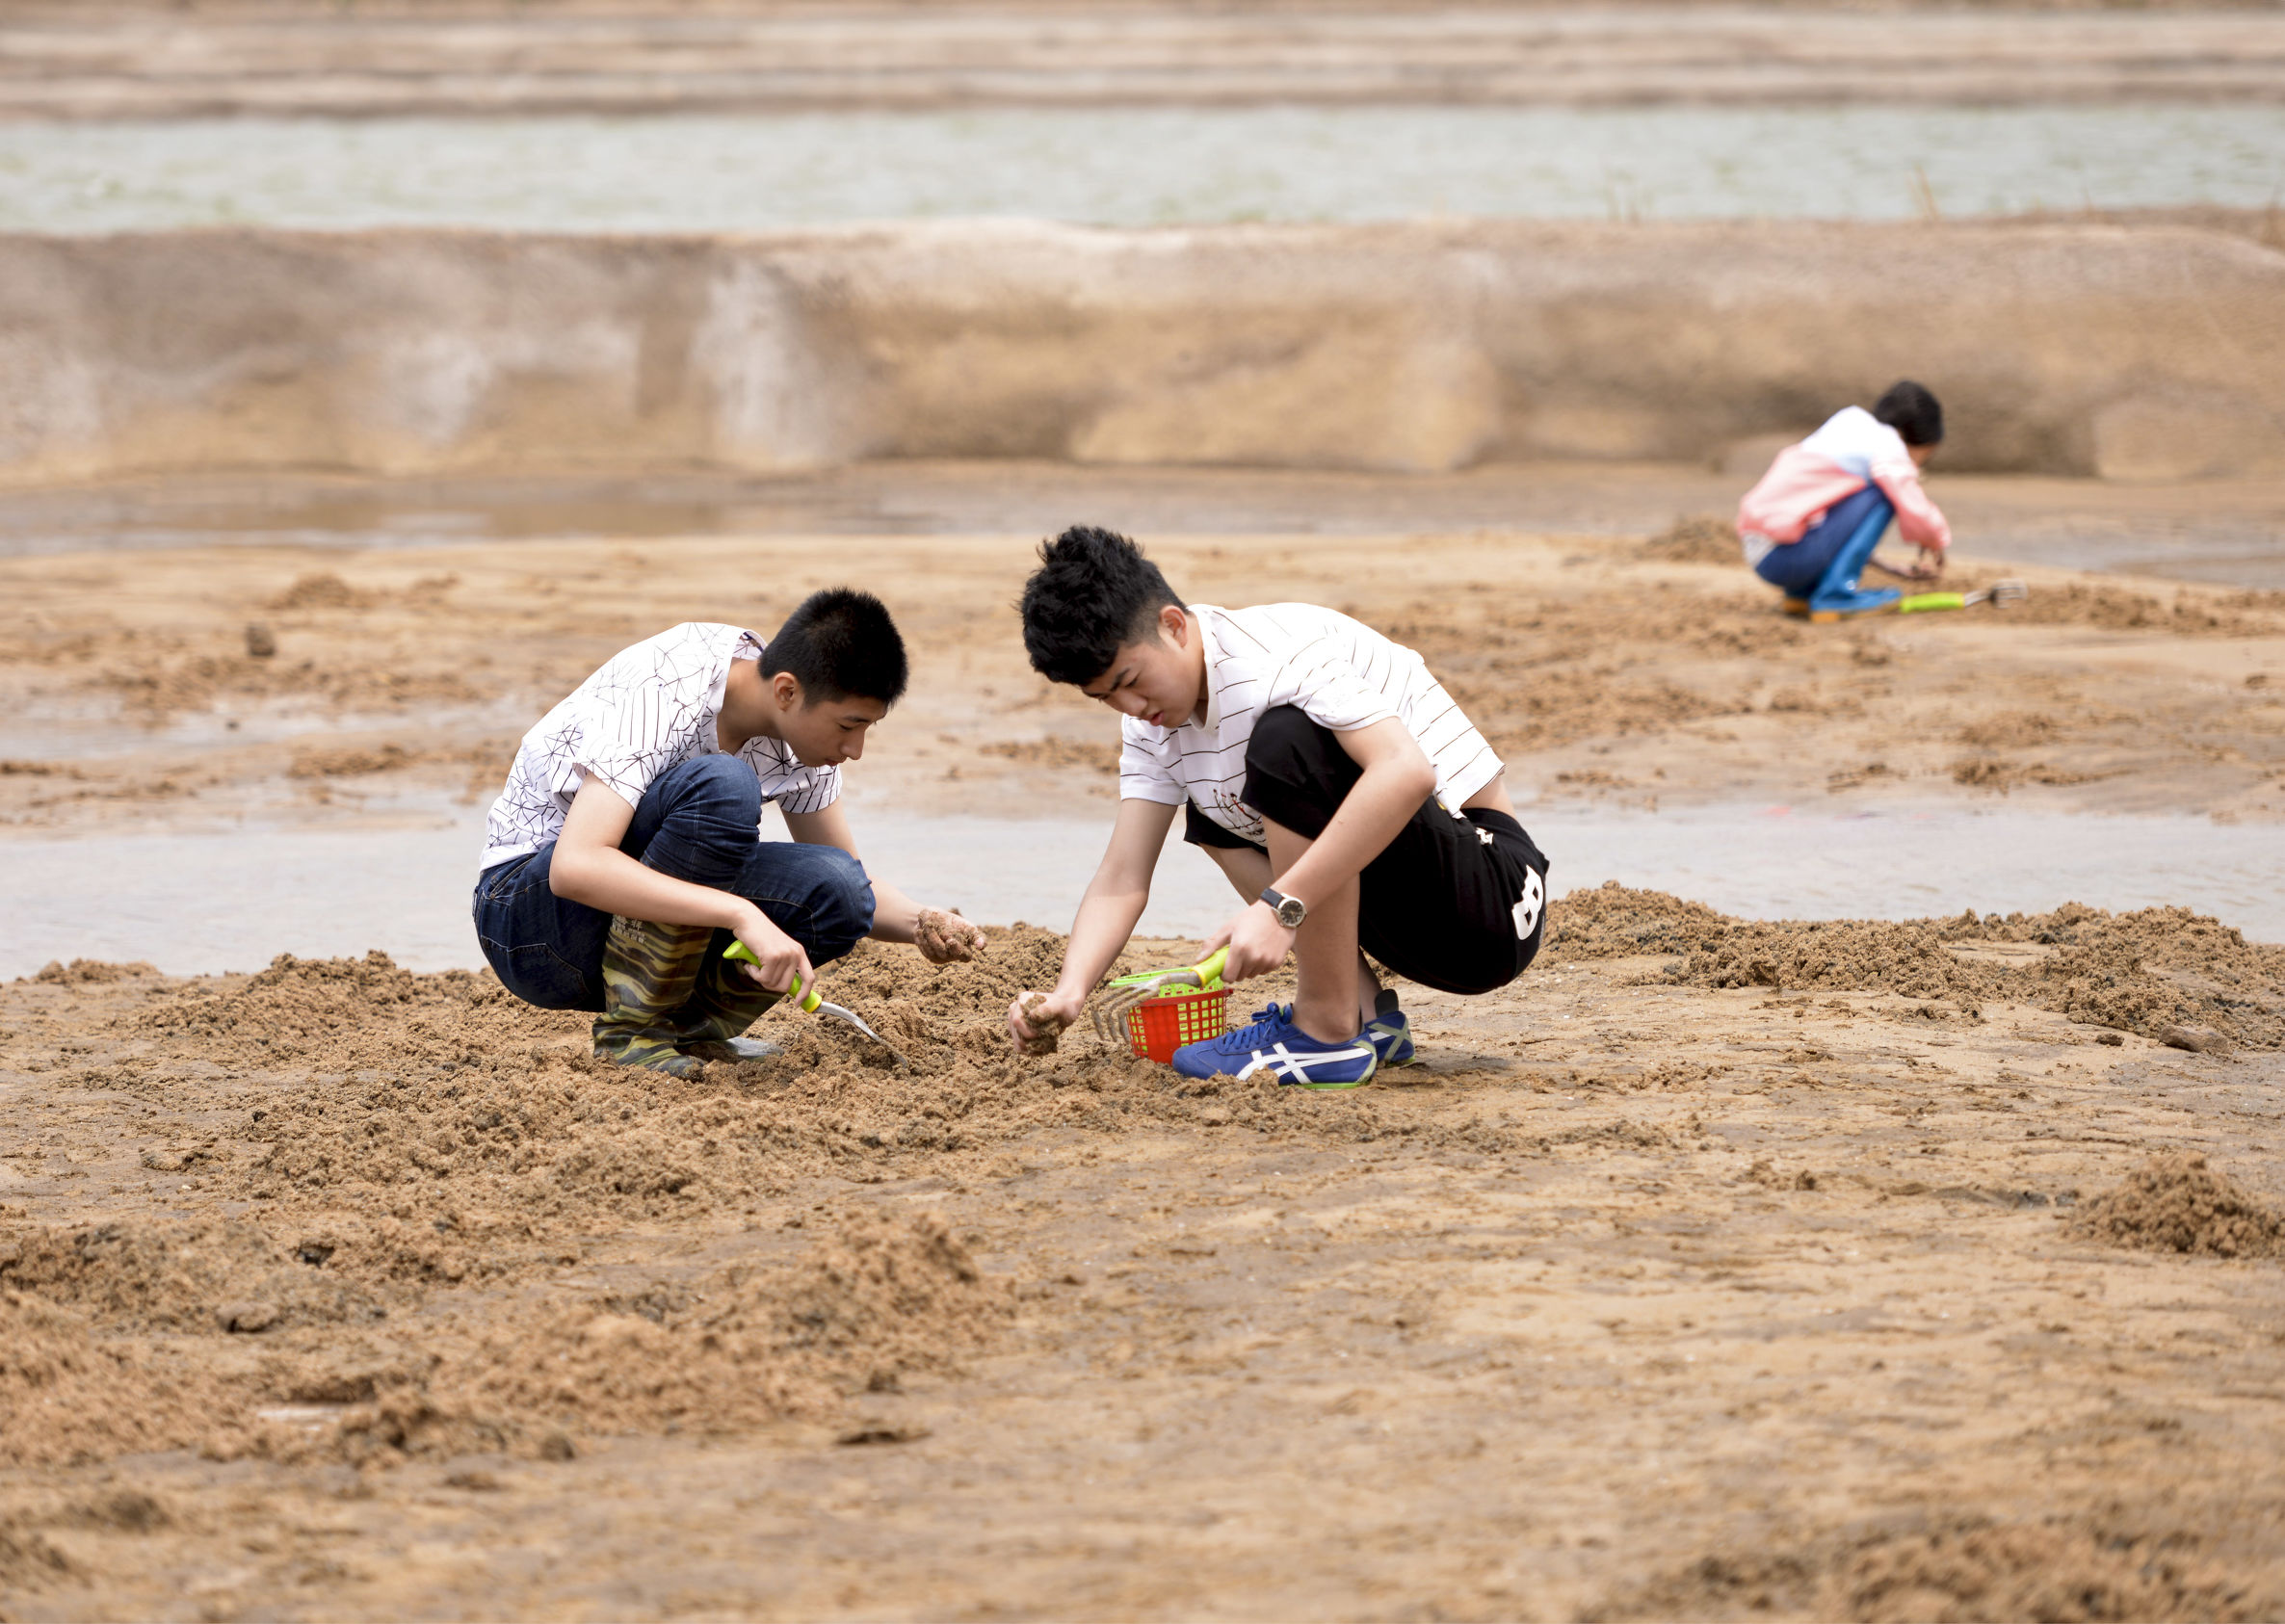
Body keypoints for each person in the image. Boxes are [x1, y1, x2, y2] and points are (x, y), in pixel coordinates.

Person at [1004, 527, 1548, 1088]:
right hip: (1408, 910)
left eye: (1131, 682)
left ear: (1172, 625)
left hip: (1493, 901)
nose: (1131, 708)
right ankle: (1366, 1017)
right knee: (1212, 808)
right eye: (1106, 698)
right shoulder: (1153, 726)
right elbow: (1122, 875)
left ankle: (1325, 1032)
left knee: (1284, 744)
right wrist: (1071, 990)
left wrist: (1280, 907)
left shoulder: (1274, 658)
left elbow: (1407, 772)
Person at [472, 590, 984, 1077]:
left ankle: (688, 1030)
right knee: (723, 786)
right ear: (787, 690)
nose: (856, 749)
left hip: (621, 927)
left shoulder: (805, 745)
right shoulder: (668, 685)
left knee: (841, 889)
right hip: (531, 925)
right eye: (848, 726)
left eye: (868, 728)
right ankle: (634, 1032)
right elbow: (574, 867)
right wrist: (741, 914)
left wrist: (922, 920)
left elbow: (855, 888)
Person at [1738, 380, 1953, 620]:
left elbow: (1828, 527)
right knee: (1884, 494)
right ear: (1907, 436)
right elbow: (1910, 500)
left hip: (1764, 554)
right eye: (1926, 455)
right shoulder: (1888, 446)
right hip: (1786, 559)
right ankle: (1835, 596)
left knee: (1866, 489)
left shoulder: (1849, 425)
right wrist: (1935, 538)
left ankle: (1802, 594)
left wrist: (1887, 566)